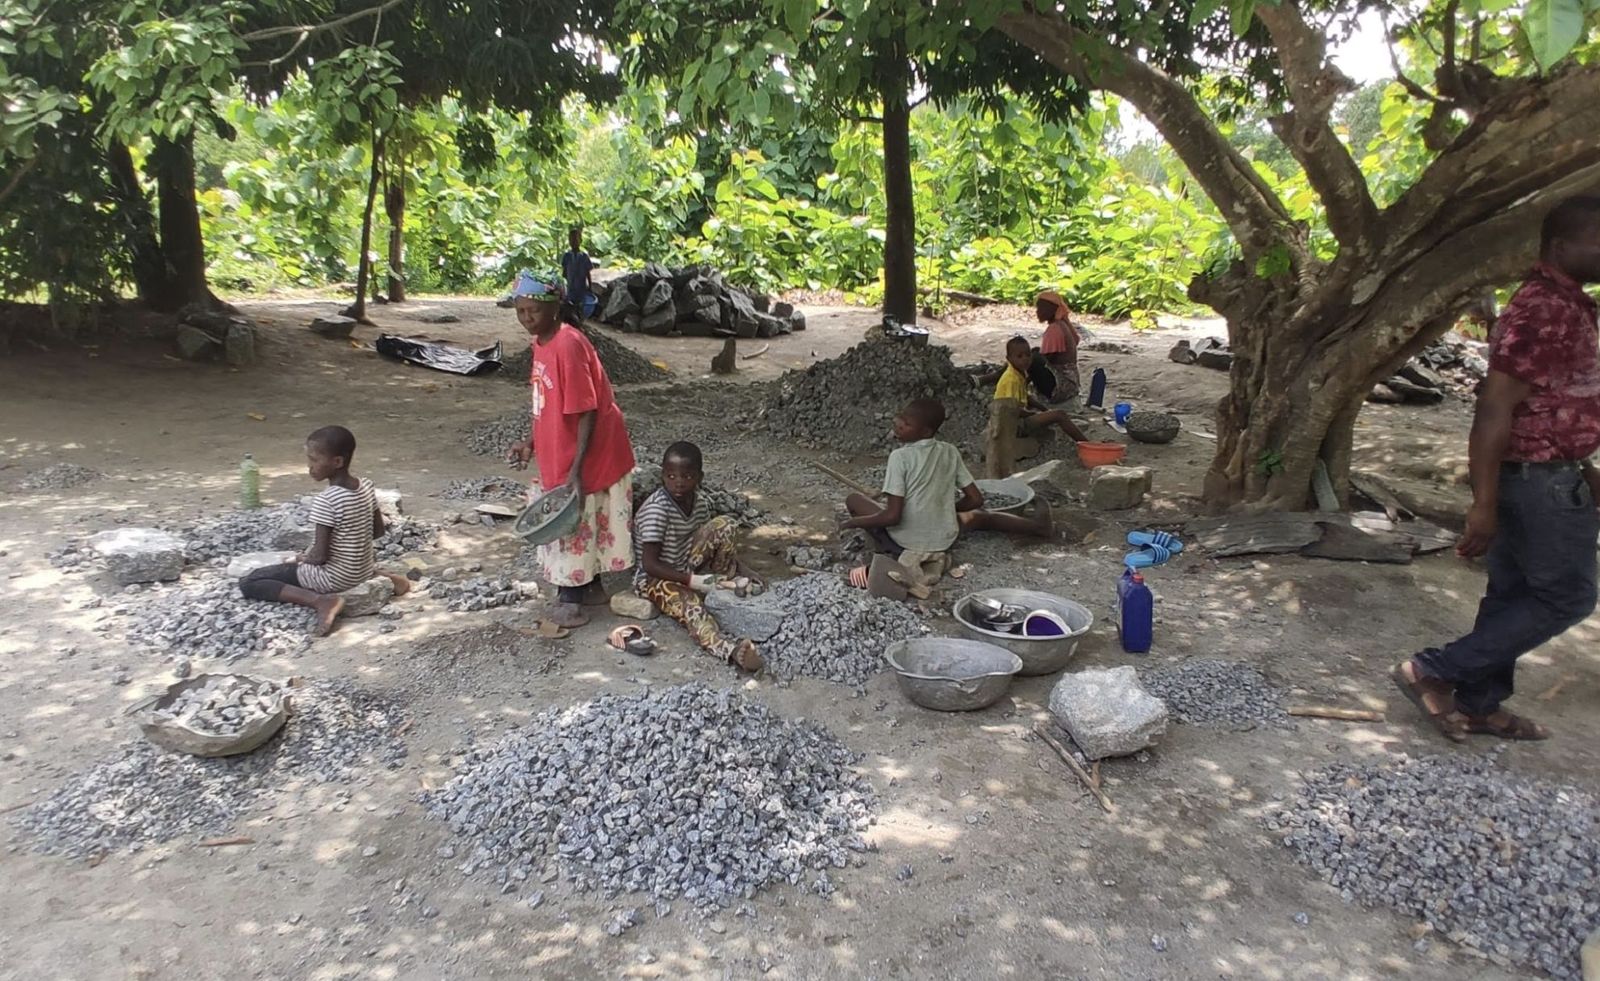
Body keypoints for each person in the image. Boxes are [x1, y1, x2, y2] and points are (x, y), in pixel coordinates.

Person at [1393, 196, 1600, 743]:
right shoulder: (1544, 309)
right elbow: (1495, 407)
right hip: (1538, 481)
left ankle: (1481, 705)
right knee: (1569, 595)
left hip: (1551, 474)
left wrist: (1584, 465)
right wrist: (1482, 504)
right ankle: (1436, 667)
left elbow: (1551, 400)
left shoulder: (1565, 303)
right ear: (1561, 247)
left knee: (1511, 593)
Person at [504, 270, 637, 628]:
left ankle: (571, 596)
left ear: (555, 307)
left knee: (574, 520)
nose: (526, 318)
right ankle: (590, 586)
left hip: (589, 449)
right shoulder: (542, 343)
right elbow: (545, 401)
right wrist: (530, 442)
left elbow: (587, 411)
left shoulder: (568, 344)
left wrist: (576, 471)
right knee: (577, 517)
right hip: (560, 446)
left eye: (533, 310)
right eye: (520, 311)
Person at [843, 398, 1053, 587]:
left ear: (925, 431)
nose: (898, 424)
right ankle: (1038, 527)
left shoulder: (899, 457)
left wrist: (853, 523)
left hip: (905, 543)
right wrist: (945, 512)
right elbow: (975, 499)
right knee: (982, 516)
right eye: (900, 418)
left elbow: (892, 516)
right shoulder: (950, 451)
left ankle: (884, 549)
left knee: (854, 500)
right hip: (945, 539)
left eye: (906, 424)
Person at [238, 425, 411, 636]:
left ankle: (322, 601)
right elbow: (377, 532)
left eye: (314, 460)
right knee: (331, 562)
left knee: (251, 580)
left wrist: (300, 560)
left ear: (337, 462)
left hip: (333, 578)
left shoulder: (326, 501)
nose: (309, 467)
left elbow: (319, 557)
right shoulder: (366, 486)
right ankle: (385, 577)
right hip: (362, 568)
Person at [633, 442, 764, 671]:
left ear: (699, 477)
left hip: (687, 564)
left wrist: (744, 569)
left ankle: (724, 578)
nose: (679, 482)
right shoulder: (657, 510)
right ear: (663, 475)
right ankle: (730, 650)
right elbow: (649, 564)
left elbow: (707, 538)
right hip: (656, 578)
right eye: (671, 476)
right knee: (691, 607)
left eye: (688, 476)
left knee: (726, 524)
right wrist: (692, 581)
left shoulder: (700, 503)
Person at [987, 335, 1090, 478]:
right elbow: (1011, 410)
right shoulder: (1010, 379)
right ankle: (1086, 444)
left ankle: (1082, 441)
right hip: (1012, 425)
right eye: (1019, 356)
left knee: (1053, 414)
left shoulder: (1019, 373)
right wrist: (1032, 414)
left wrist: (1044, 410)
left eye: (1028, 355)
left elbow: (1027, 398)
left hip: (1015, 419)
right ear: (1009, 359)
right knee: (1059, 415)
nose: (1025, 359)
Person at [1036, 290, 1080, 404]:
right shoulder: (1062, 324)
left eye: (1041, 308)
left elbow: (1045, 360)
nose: (1037, 312)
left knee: (1034, 358)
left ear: (1052, 309)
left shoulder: (1055, 329)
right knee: (1033, 353)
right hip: (1071, 382)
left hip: (1062, 386)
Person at [560, 227, 595, 319]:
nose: (573, 242)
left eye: (576, 239)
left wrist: (590, 287)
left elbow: (588, 273)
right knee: (569, 305)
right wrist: (562, 285)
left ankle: (579, 321)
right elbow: (564, 272)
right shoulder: (567, 256)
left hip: (581, 286)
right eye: (571, 240)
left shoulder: (584, 257)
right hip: (570, 286)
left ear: (580, 240)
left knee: (580, 306)